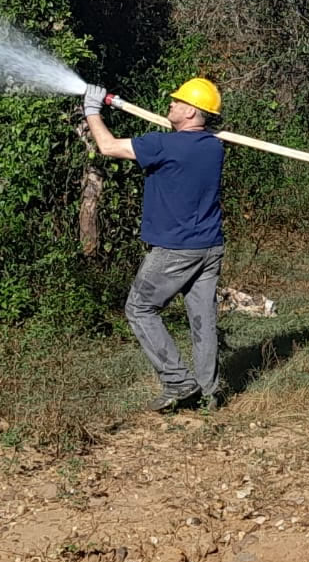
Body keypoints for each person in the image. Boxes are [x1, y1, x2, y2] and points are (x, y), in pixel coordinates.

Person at [82, 79, 226, 412]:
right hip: (210, 246)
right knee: (202, 318)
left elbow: (108, 147)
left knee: (139, 308)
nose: (170, 105)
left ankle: (178, 381)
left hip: (176, 250)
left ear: (191, 111)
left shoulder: (165, 145)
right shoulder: (214, 146)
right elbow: (185, 140)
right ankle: (210, 393)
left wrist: (92, 110)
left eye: (177, 102)